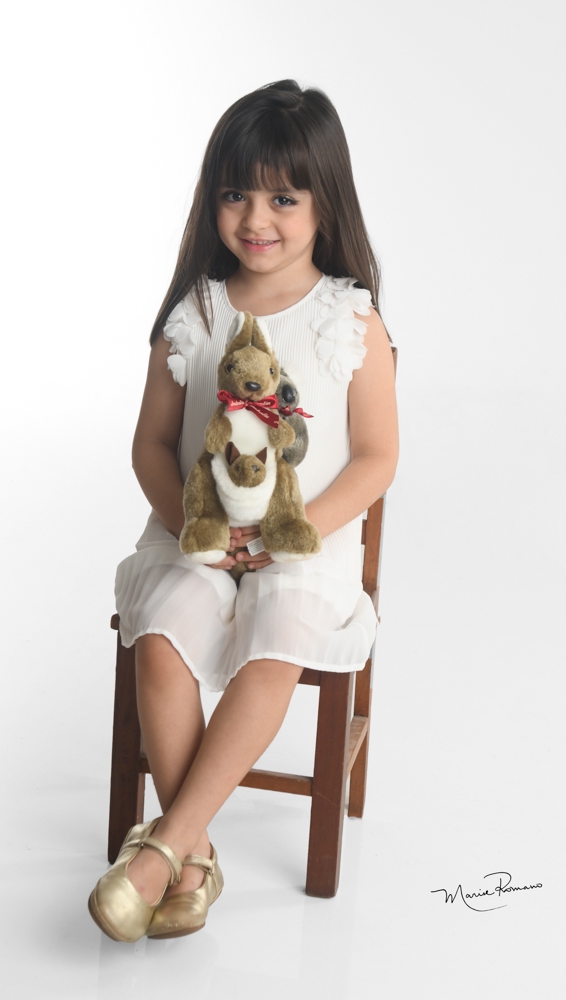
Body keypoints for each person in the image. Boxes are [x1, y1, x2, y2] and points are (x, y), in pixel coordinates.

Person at [88, 79, 399, 942]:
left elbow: (377, 458)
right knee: (161, 634)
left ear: (325, 202)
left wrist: (290, 533)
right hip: (195, 535)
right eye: (236, 194)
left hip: (306, 544)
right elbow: (152, 446)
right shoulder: (194, 313)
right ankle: (193, 859)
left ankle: (161, 854)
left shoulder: (349, 318)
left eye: (283, 198)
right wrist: (200, 532)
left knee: (277, 638)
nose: (256, 218)